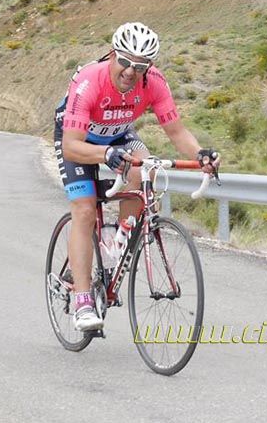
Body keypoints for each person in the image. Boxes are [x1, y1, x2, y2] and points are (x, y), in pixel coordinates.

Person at [53, 21, 221, 332]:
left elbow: (177, 132)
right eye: (125, 61)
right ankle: (83, 301)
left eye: (140, 66)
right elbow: (71, 146)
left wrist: (201, 155)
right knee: (85, 211)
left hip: (119, 134)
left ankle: (117, 241)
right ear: (112, 55)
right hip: (79, 139)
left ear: (149, 67)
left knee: (147, 170)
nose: (131, 71)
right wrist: (105, 155)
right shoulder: (89, 82)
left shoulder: (154, 83)